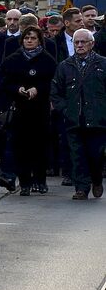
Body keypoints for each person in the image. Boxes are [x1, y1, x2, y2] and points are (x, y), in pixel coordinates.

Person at [0, 25, 57, 195]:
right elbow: (5, 81)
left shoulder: (47, 59)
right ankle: (24, 182)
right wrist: (18, 89)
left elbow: (53, 81)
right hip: (20, 108)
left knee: (40, 145)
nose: (29, 41)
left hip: (40, 108)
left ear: (39, 40)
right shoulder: (14, 59)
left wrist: (38, 89)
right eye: (26, 38)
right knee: (21, 145)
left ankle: (40, 180)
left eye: (33, 38)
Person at [51, 29, 106, 200]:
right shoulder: (65, 66)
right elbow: (56, 92)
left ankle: (96, 180)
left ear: (92, 43)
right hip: (73, 120)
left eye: (83, 42)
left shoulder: (103, 64)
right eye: (77, 42)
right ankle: (81, 188)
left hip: (97, 120)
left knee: (95, 155)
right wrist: (65, 110)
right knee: (77, 155)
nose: (80, 45)